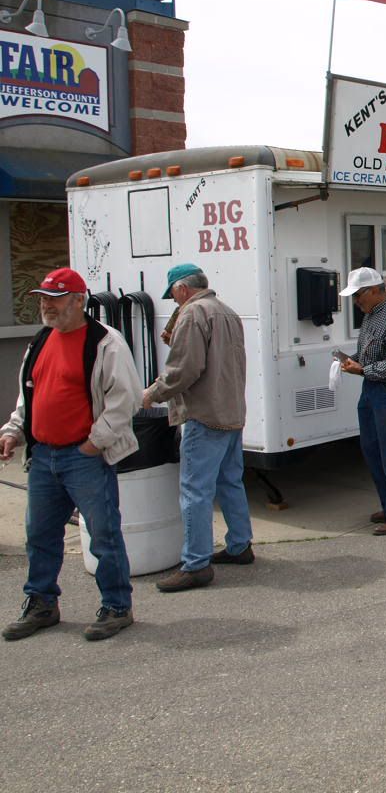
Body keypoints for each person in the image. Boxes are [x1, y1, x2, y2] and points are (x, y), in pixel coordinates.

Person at [1, 268, 142, 641]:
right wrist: (14, 431)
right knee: (40, 535)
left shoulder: (105, 342)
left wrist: (94, 443)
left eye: (54, 298)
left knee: (103, 535)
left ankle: (116, 606)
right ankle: (41, 603)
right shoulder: (41, 340)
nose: (46, 306)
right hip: (44, 457)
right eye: (42, 298)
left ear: (78, 300)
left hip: (84, 457)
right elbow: (28, 394)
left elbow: (125, 400)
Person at [144, 264, 254, 592]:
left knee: (195, 491)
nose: (174, 302)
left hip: (204, 415)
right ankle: (240, 545)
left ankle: (196, 564)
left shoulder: (193, 314)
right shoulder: (227, 312)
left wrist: (152, 394)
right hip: (231, 412)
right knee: (230, 482)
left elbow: (184, 370)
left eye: (173, 295)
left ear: (182, 289)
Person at [339, 267, 386, 535]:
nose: (356, 301)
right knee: (373, 451)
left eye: (358, 295)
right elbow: (368, 353)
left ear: (375, 291)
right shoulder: (372, 316)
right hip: (374, 390)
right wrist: (352, 360)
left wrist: (361, 369)